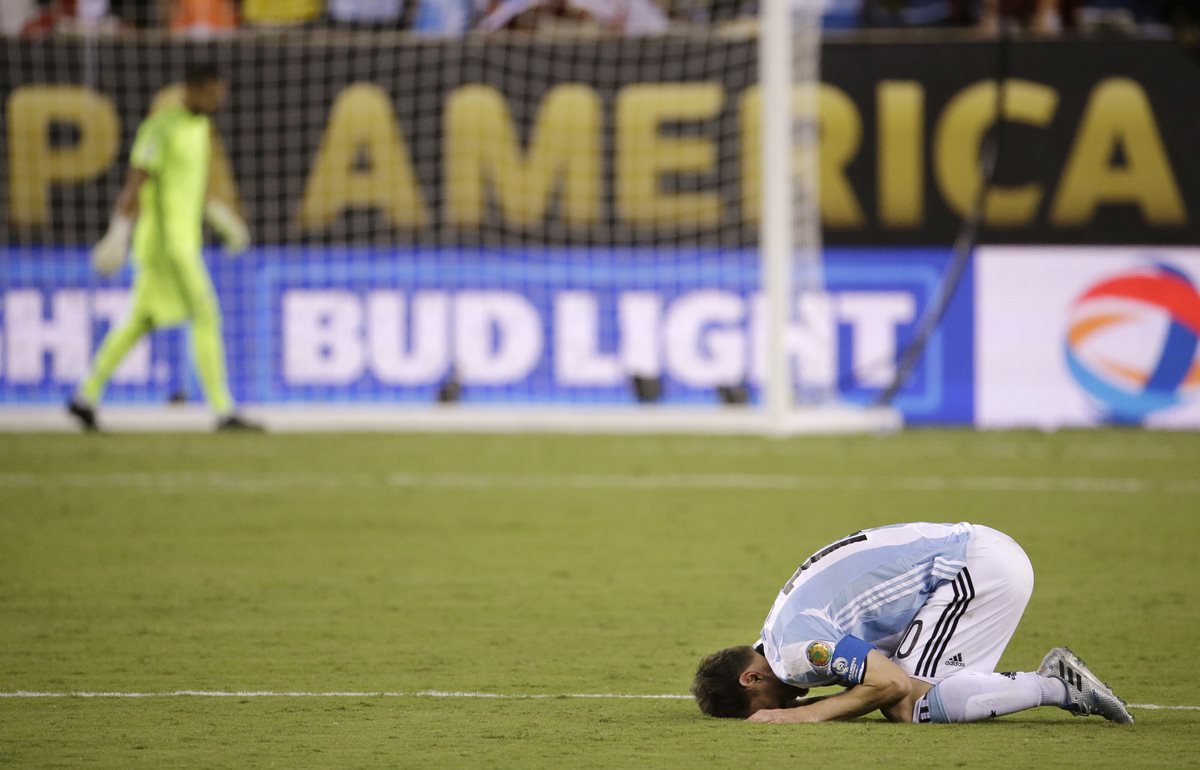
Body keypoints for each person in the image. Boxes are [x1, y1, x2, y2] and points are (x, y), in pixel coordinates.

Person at [691, 522, 1134, 725]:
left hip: (974, 570)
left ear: (752, 677)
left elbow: (892, 685)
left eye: (765, 706)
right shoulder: (778, 632)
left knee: (908, 706)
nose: (778, 708)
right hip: (978, 555)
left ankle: (1057, 685)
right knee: (903, 687)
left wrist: (806, 717)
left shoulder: (794, 654)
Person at [68, 62, 261, 432]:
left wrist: (221, 217)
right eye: (215, 92)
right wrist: (118, 232)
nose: (220, 99)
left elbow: (191, 184)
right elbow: (135, 181)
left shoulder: (200, 127)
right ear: (195, 88)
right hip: (166, 246)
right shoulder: (161, 127)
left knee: (140, 321)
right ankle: (223, 410)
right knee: (206, 314)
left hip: (183, 240)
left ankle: (85, 396)